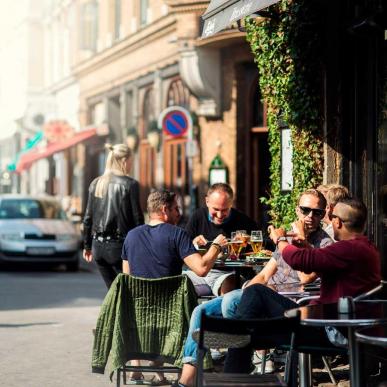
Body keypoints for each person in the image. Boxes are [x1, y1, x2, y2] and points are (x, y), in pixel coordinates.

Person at [174, 188, 333, 387]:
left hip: (286, 304)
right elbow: (265, 274)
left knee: (232, 301)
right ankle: (186, 381)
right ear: (297, 210)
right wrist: (249, 286)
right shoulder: (287, 238)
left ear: (323, 214)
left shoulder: (325, 244)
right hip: (259, 297)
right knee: (200, 311)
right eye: (305, 210)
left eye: (316, 212)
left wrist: (299, 242)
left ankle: (235, 357)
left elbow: (305, 278)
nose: (310, 216)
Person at [223, 197, 381, 373]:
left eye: (329, 215)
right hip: (331, 322)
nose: (328, 219)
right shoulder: (364, 248)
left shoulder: (347, 249)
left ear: (337, 222)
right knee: (249, 321)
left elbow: (299, 260)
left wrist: (280, 238)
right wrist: (306, 245)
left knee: (255, 295)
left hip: (329, 329)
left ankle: (233, 359)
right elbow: (322, 263)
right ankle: (238, 344)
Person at [121, 189, 228, 384]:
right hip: (172, 317)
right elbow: (202, 269)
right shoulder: (177, 235)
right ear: (164, 210)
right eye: (176, 208)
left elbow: (127, 279)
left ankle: (139, 368)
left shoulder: (131, 236)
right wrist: (217, 246)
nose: (179, 213)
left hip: (138, 315)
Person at [82, 143, 144, 289]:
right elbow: (137, 219)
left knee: (113, 291)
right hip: (120, 248)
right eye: (131, 161)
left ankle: (114, 312)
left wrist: (87, 246)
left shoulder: (96, 183)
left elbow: (87, 218)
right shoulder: (130, 184)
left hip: (98, 247)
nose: (131, 165)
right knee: (128, 291)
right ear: (124, 161)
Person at [185, 183, 259, 297]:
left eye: (225, 210)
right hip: (199, 274)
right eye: (216, 209)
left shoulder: (242, 220)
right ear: (207, 201)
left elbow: (264, 244)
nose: (219, 215)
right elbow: (183, 247)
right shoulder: (197, 217)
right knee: (177, 281)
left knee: (230, 285)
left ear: (231, 204)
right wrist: (193, 243)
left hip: (228, 274)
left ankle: (215, 313)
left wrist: (249, 240)